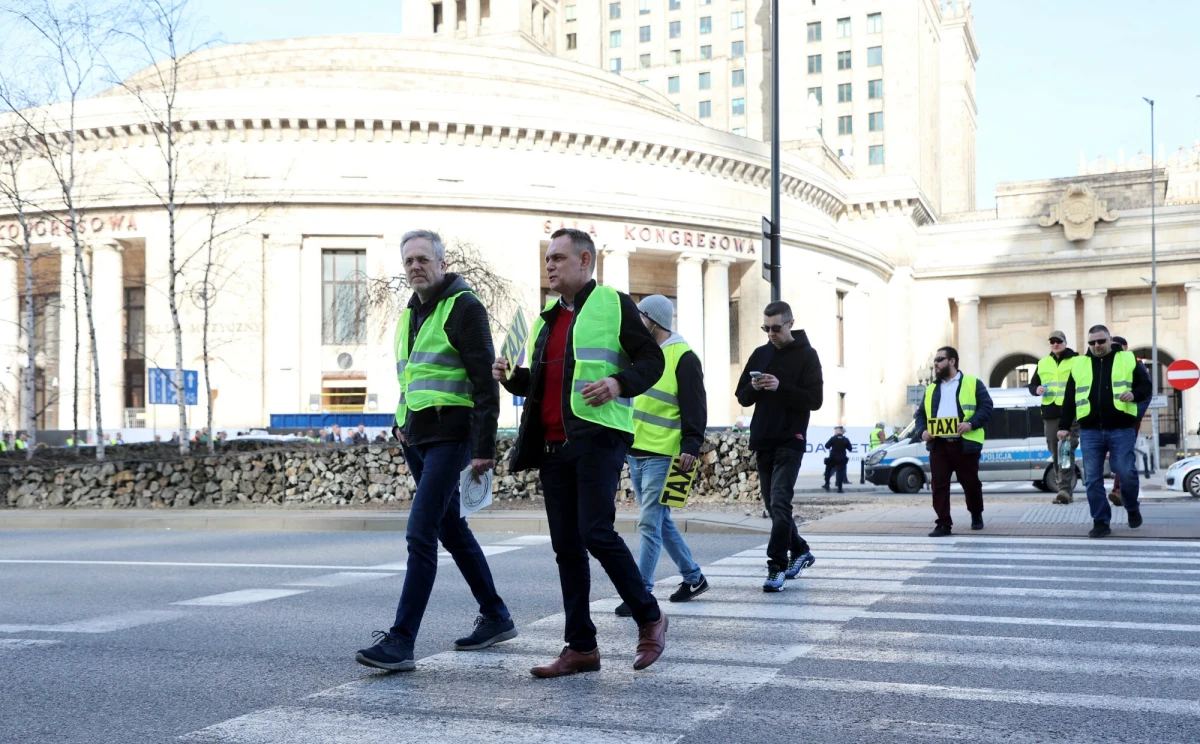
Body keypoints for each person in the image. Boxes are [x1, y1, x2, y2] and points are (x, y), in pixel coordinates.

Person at [495, 227, 668, 677]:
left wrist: (618, 383)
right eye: (547, 259)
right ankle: (581, 648)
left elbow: (652, 359)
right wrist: (510, 377)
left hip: (598, 438)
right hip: (553, 446)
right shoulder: (546, 319)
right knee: (566, 548)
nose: (549, 265)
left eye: (558, 258)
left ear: (585, 261)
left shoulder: (613, 303)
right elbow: (537, 384)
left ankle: (650, 617)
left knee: (595, 532)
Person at [356, 229, 515, 672]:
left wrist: (484, 447)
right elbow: (410, 379)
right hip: (418, 437)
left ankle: (402, 641)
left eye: (423, 259)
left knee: (420, 532)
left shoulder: (464, 307)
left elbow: (485, 384)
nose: (415, 267)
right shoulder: (409, 316)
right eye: (408, 261)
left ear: (442, 263)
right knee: (451, 530)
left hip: (454, 437)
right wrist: (400, 422)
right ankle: (497, 615)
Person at [611, 294, 709, 618]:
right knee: (662, 521)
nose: (637, 321)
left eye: (641, 316)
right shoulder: (642, 354)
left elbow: (695, 407)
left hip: (668, 456)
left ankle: (641, 593)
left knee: (649, 524)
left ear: (654, 320)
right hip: (638, 451)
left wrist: (691, 448)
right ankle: (694, 578)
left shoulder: (684, 357)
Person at [735, 300, 822, 592]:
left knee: (781, 502)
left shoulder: (807, 355)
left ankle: (776, 566)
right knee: (774, 507)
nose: (771, 334)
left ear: (789, 323)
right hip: (763, 439)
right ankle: (800, 550)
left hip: (791, 440)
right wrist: (755, 388)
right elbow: (742, 396)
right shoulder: (761, 353)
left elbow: (815, 400)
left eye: (775, 328)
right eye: (766, 328)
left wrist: (780, 386)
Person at [1058, 325, 1152, 538]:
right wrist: (1064, 426)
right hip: (1090, 430)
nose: (1096, 346)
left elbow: (1146, 387)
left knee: (1126, 472)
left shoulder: (1128, 359)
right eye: (1092, 342)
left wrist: (1134, 394)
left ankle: (1131, 506)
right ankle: (1100, 521)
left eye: (1101, 341)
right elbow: (1069, 398)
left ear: (1110, 340)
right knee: (1092, 478)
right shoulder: (1079, 365)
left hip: (1121, 428)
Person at [914, 346, 994, 537]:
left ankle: (976, 514)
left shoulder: (973, 383)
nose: (936, 363)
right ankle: (943, 524)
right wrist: (922, 431)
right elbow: (920, 415)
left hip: (964, 444)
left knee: (970, 483)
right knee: (938, 485)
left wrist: (970, 423)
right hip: (939, 445)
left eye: (940, 359)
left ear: (952, 361)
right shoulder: (932, 388)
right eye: (935, 360)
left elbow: (987, 407)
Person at [1028, 330, 1079, 504]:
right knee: (1055, 452)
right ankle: (1062, 486)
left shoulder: (1077, 360)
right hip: (1050, 413)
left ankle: (1064, 489)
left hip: (1071, 413)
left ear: (1065, 342)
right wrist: (1036, 389)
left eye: (1058, 341)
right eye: (1052, 341)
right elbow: (1032, 384)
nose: (1055, 344)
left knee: (1065, 449)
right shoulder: (1043, 363)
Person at [1108, 336, 1151, 507]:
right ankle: (1120, 491)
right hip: (1111, 420)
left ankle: (1120, 491)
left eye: (1117, 346)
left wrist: (1134, 416)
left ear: (1125, 347)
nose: (1115, 349)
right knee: (1118, 456)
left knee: (1124, 455)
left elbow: (1145, 392)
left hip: (1129, 419)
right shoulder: (1108, 364)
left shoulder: (1134, 363)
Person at [823, 426, 852, 493]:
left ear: (838, 431)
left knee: (828, 470)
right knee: (840, 473)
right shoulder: (845, 439)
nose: (835, 431)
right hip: (841, 459)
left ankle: (827, 484)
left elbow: (827, 446)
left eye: (835, 430)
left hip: (833, 459)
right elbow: (850, 448)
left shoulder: (833, 438)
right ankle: (840, 489)